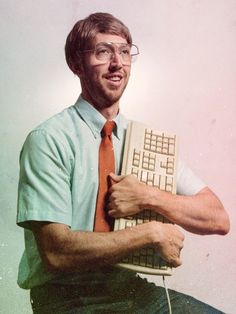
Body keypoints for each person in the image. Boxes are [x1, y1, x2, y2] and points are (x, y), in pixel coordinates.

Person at [17, 12, 230, 314]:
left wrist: (148, 196)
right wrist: (151, 233)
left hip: (131, 290)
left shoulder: (144, 141)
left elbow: (218, 218)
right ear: (76, 64)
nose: (117, 63)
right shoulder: (49, 139)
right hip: (69, 299)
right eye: (103, 51)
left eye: (125, 51)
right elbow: (56, 251)